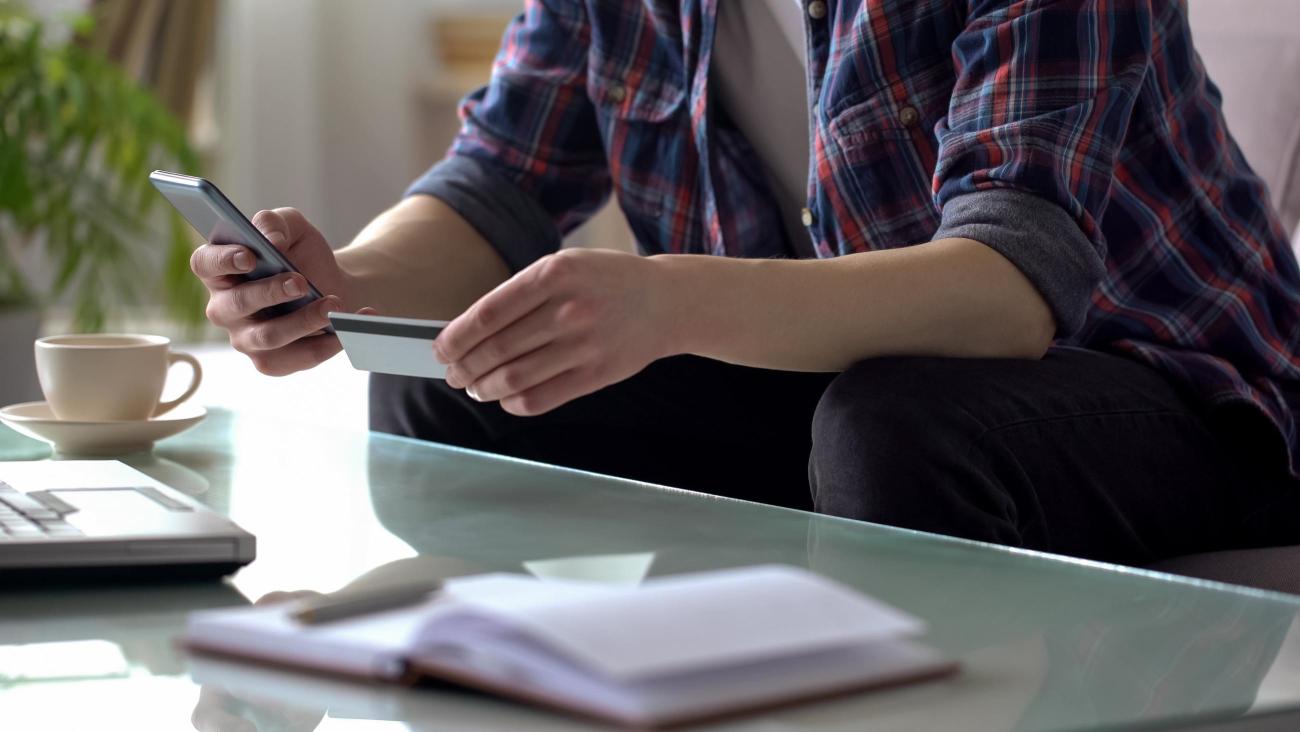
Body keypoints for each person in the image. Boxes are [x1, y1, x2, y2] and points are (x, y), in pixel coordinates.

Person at [190, 0, 1300, 565]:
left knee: (892, 431)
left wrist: (662, 301)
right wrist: (344, 282)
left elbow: (1006, 289)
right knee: (447, 381)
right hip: (851, 384)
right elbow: (495, 183)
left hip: (1184, 396)